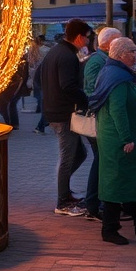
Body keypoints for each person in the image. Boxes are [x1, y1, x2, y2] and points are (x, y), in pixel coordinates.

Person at [87, 37, 136, 245]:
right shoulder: (117, 78)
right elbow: (117, 111)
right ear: (121, 54)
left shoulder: (118, 73)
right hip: (121, 139)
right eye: (132, 51)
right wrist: (126, 138)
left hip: (128, 136)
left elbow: (131, 103)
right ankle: (110, 229)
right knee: (117, 181)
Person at [39, 19, 92, 216]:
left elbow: (39, 79)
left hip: (55, 110)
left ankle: (65, 192)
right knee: (68, 157)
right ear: (79, 37)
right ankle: (62, 202)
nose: (87, 42)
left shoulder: (56, 51)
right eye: (86, 38)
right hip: (63, 114)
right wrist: (86, 100)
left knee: (80, 154)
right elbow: (68, 85)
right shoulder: (67, 56)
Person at [82, 27, 122, 220]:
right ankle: (93, 204)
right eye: (118, 40)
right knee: (101, 161)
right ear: (107, 43)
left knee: (102, 161)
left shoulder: (103, 60)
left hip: (103, 119)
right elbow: (91, 91)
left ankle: (96, 203)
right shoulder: (96, 61)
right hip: (99, 120)